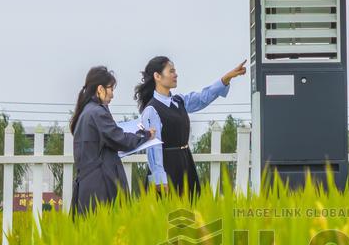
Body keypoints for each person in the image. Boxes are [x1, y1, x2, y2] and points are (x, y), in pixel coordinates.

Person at [134, 56, 247, 199]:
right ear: (157, 76)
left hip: (185, 162)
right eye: (171, 71)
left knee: (190, 208)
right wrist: (159, 179)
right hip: (167, 167)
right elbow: (153, 148)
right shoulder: (151, 110)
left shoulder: (179, 101)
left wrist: (226, 78)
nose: (176, 74)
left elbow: (203, 97)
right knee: (167, 209)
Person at [70, 65, 155, 216]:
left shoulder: (85, 112)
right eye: (111, 89)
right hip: (101, 185)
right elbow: (120, 139)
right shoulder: (97, 113)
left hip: (87, 184)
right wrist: (145, 135)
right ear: (100, 89)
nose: (112, 95)